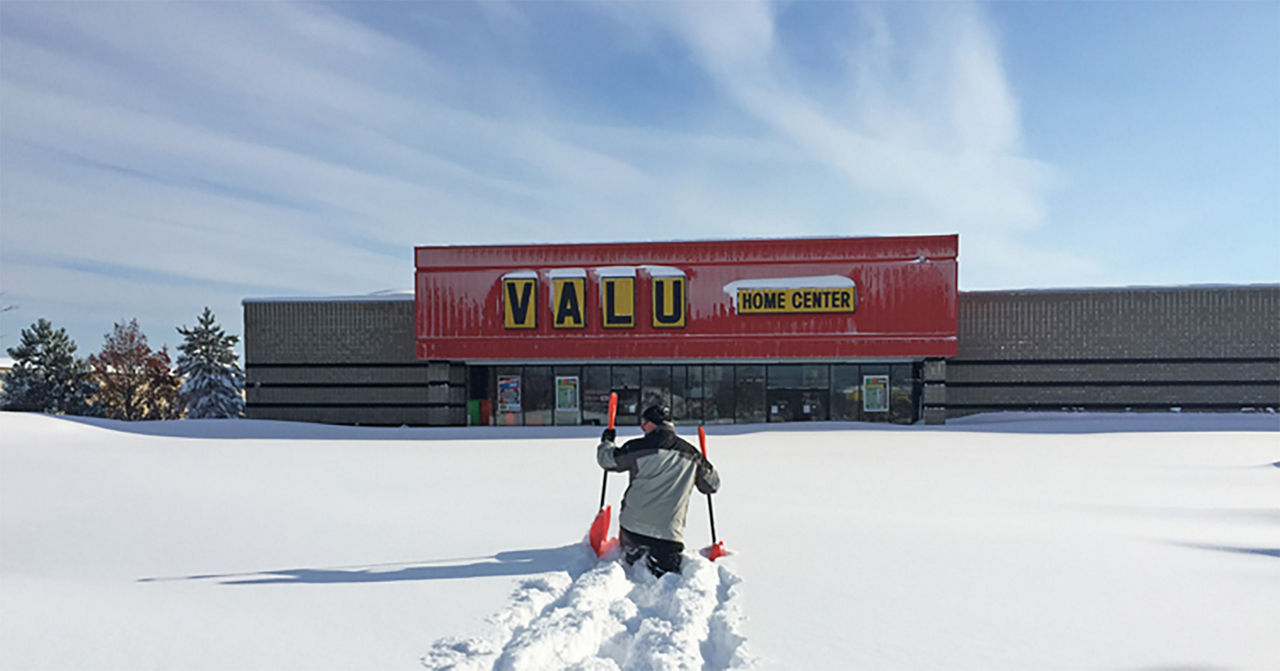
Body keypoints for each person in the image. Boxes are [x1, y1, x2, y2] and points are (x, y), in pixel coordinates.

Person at [598, 404, 720, 576]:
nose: (642, 427)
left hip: (632, 530)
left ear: (654, 423)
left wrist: (607, 442)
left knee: (632, 559)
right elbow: (712, 485)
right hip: (669, 537)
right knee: (667, 576)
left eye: (644, 423)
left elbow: (607, 460)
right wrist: (706, 464)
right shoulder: (692, 455)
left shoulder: (637, 447)